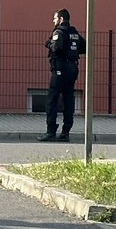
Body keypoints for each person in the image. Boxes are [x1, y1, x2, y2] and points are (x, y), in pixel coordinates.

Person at [38, 8, 85, 142]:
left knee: (52, 101)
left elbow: (56, 47)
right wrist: (71, 51)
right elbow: (84, 47)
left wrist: (49, 44)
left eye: (55, 18)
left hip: (60, 70)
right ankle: (65, 132)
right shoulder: (74, 33)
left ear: (61, 19)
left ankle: (50, 131)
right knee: (68, 100)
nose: (53, 21)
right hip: (73, 69)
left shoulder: (58, 32)